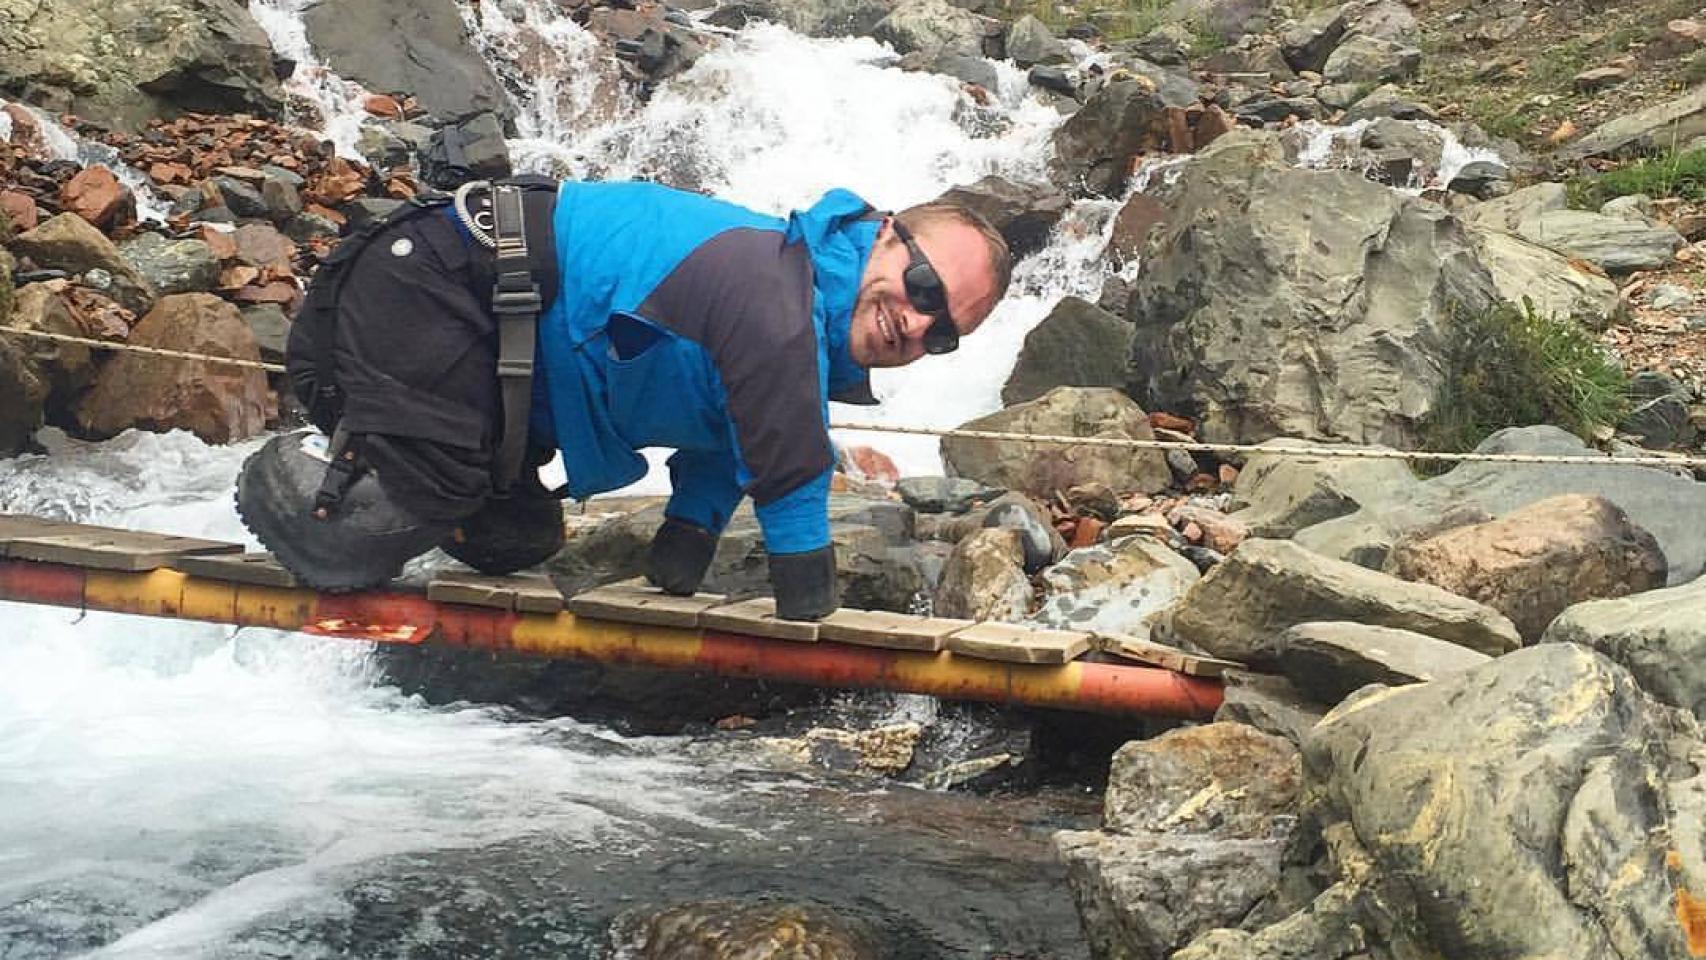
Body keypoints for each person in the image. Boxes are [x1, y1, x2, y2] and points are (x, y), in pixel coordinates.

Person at [236, 178, 1012, 620]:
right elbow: (788, 462)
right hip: (429, 284)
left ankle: (393, 469)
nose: (915, 324)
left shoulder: (792, 340)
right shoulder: (768, 288)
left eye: (941, 334)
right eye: (923, 289)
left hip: (490, 370)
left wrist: (685, 543)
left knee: (517, 540)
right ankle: (298, 471)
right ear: (882, 234)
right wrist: (811, 613)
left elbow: (729, 444)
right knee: (357, 538)